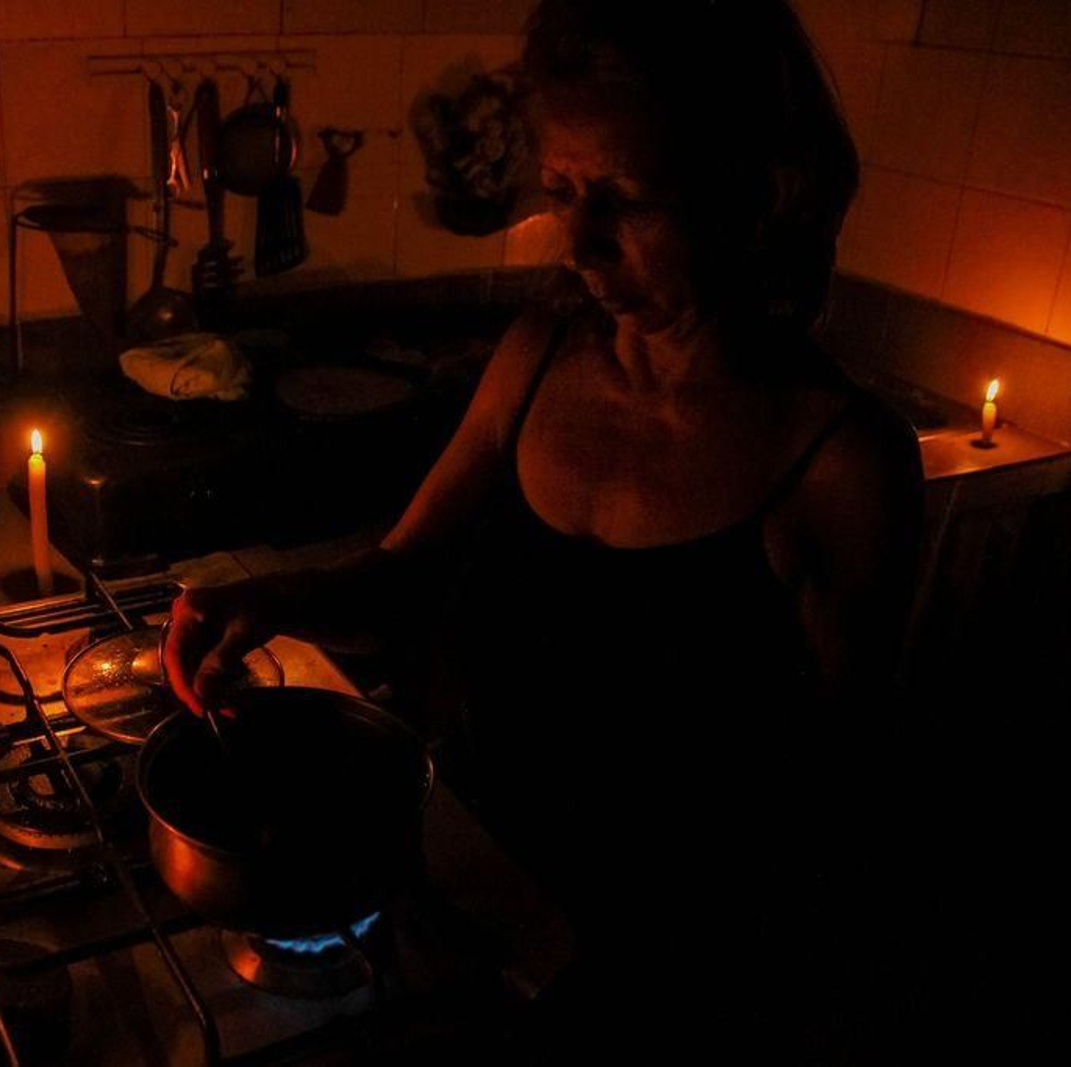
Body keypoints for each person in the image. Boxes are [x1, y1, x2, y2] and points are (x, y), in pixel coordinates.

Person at [165, 0, 924, 1056]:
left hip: (675, 979)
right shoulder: (541, 353)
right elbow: (403, 573)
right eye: (564, 191)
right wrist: (276, 597)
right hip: (478, 902)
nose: (580, 244)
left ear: (753, 192)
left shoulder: (838, 460)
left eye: (626, 198)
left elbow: (844, 807)